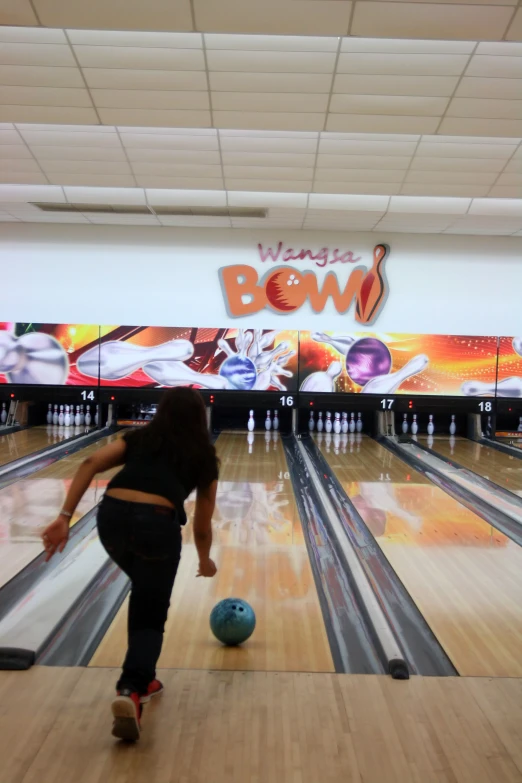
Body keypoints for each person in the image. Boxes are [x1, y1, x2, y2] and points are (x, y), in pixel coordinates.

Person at [41, 388, 219, 742]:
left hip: (111, 519)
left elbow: (90, 464)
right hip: (156, 524)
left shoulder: (141, 438)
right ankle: (131, 689)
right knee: (151, 612)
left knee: (145, 594)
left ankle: (145, 676)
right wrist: (204, 559)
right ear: (201, 417)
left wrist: (64, 516)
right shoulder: (204, 455)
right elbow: (201, 523)